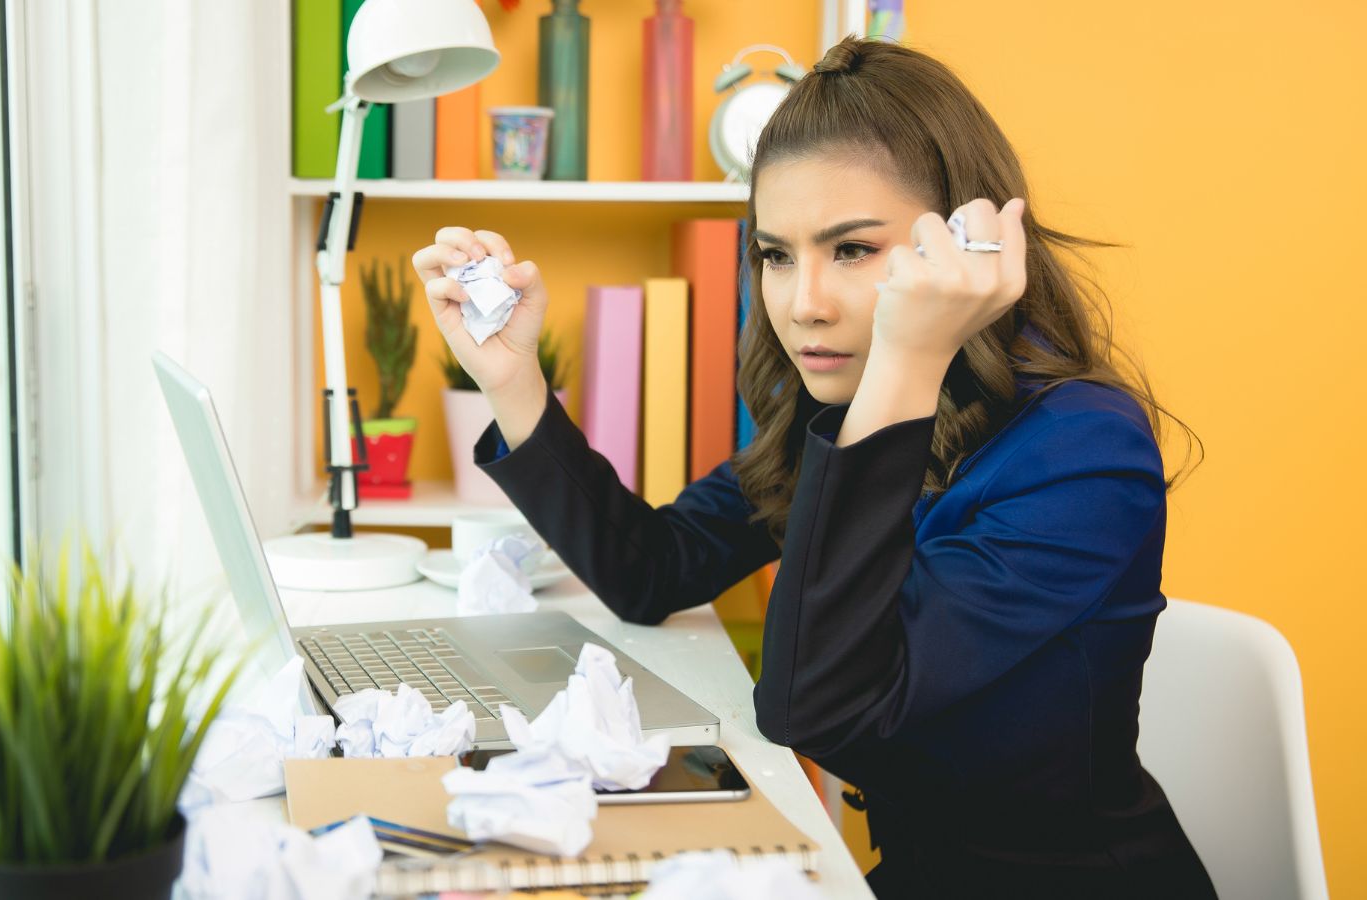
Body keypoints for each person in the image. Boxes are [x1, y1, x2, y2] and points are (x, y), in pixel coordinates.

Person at [411, 36, 1212, 900]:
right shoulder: (843, 405)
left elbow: (814, 708)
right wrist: (513, 380)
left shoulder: (1084, 449)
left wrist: (906, 360)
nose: (804, 304)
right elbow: (651, 570)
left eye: (854, 250)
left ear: (965, 245)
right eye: (777, 255)